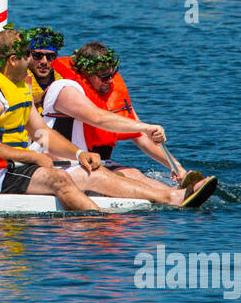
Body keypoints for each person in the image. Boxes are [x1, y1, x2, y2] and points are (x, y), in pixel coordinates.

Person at [0, 29, 191, 211]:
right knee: (61, 178)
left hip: (16, 169)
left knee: (92, 171)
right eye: (29, 56)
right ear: (13, 60)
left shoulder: (17, 88)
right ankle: (98, 223)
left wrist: (78, 155)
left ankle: (173, 198)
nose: (37, 63)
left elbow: (41, 133)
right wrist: (34, 156)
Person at [43, 41, 216, 205]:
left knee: (134, 174)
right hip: (69, 164)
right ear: (86, 73)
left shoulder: (113, 94)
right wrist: (147, 127)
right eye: (104, 77)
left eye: (112, 74)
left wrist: (177, 167)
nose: (110, 80)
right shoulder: (65, 91)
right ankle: (173, 197)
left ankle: (182, 194)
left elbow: (139, 134)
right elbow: (99, 118)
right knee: (124, 176)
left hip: (100, 162)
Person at [23, 26, 64, 108]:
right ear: (27, 55)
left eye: (50, 56)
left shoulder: (66, 79)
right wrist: (45, 96)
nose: (44, 61)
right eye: (38, 55)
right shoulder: (16, 79)